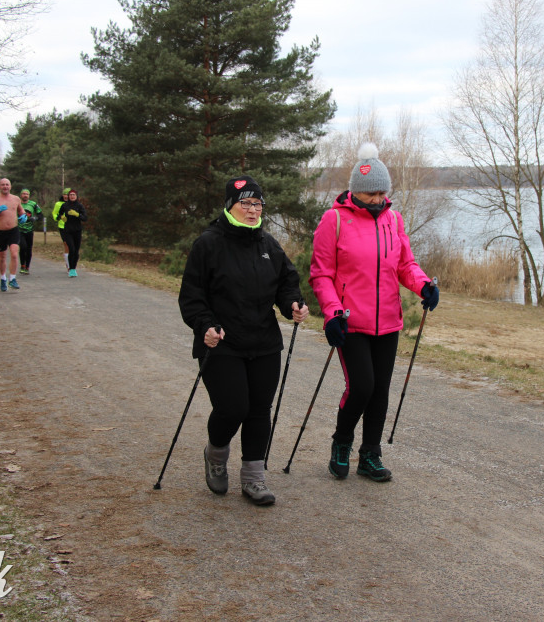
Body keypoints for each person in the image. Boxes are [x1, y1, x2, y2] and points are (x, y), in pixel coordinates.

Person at [309, 143, 439, 482]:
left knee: (380, 390)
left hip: (388, 322)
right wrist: (332, 313)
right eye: (369, 193)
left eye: (381, 191)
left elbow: (405, 265)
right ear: (355, 191)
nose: (376, 198)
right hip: (350, 321)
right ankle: (342, 443)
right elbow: (321, 273)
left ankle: (370, 455)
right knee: (362, 386)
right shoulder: (334, 220)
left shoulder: (394, 220)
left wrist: (424, 285)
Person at [178, 175, 308, 506]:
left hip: (263, 342)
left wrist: (292, 303)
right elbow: (192, 297)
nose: (252, 210)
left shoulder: (268, 245)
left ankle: (253, 478)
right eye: (245, 203)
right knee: (233, 407)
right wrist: (204, 325)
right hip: (220, 342)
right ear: (230, 206)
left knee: (259, 409)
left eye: (257, 203)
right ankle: (215, 454)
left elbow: (286, 282)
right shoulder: (208, 244)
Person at [0, 178, 26, 291]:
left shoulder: (16, 199)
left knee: (15, 254)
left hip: (13, 230)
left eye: (7, 184)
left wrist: (23, 216)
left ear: (10, 186)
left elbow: (20, 210)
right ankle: (3, 279)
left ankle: (12, 279)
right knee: (2, 257)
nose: (5, 186)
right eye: (3, 185)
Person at [58, 189, 87, 277]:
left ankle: (74, 268)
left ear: (76, 196)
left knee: (76, 251)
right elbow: (59, 214)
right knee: (71, 249)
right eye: (70, 195)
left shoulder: (80, 206)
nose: (72, 196)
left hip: (77, 230)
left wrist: (77, 215)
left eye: (74, 195)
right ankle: (70, 269)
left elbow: (85, 218)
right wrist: (62, 217)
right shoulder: (64, 205)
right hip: (68, 231)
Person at [18, 189, 43, 274]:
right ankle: (22, 265)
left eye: (27, 194)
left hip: (30, 230)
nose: (25, 195)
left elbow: (41, 215)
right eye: (24, 194)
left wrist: (35, 218)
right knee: (23, 247)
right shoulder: (17, 203)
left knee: (29, 249)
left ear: (29, 196)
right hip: (19, 230)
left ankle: (27, 266)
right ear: (21, 195)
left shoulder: (33, 204)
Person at [51, 187, 71, 270]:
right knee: (66, 245)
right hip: (62, 227)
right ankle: (68, 266)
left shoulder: (75, 204)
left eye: (68, 195)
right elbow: (54, 214)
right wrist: (58, 217)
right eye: (65, 194)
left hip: (73, 227)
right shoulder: (58, 204)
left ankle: (72, 263)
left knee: (73, 247)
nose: (66, 196)